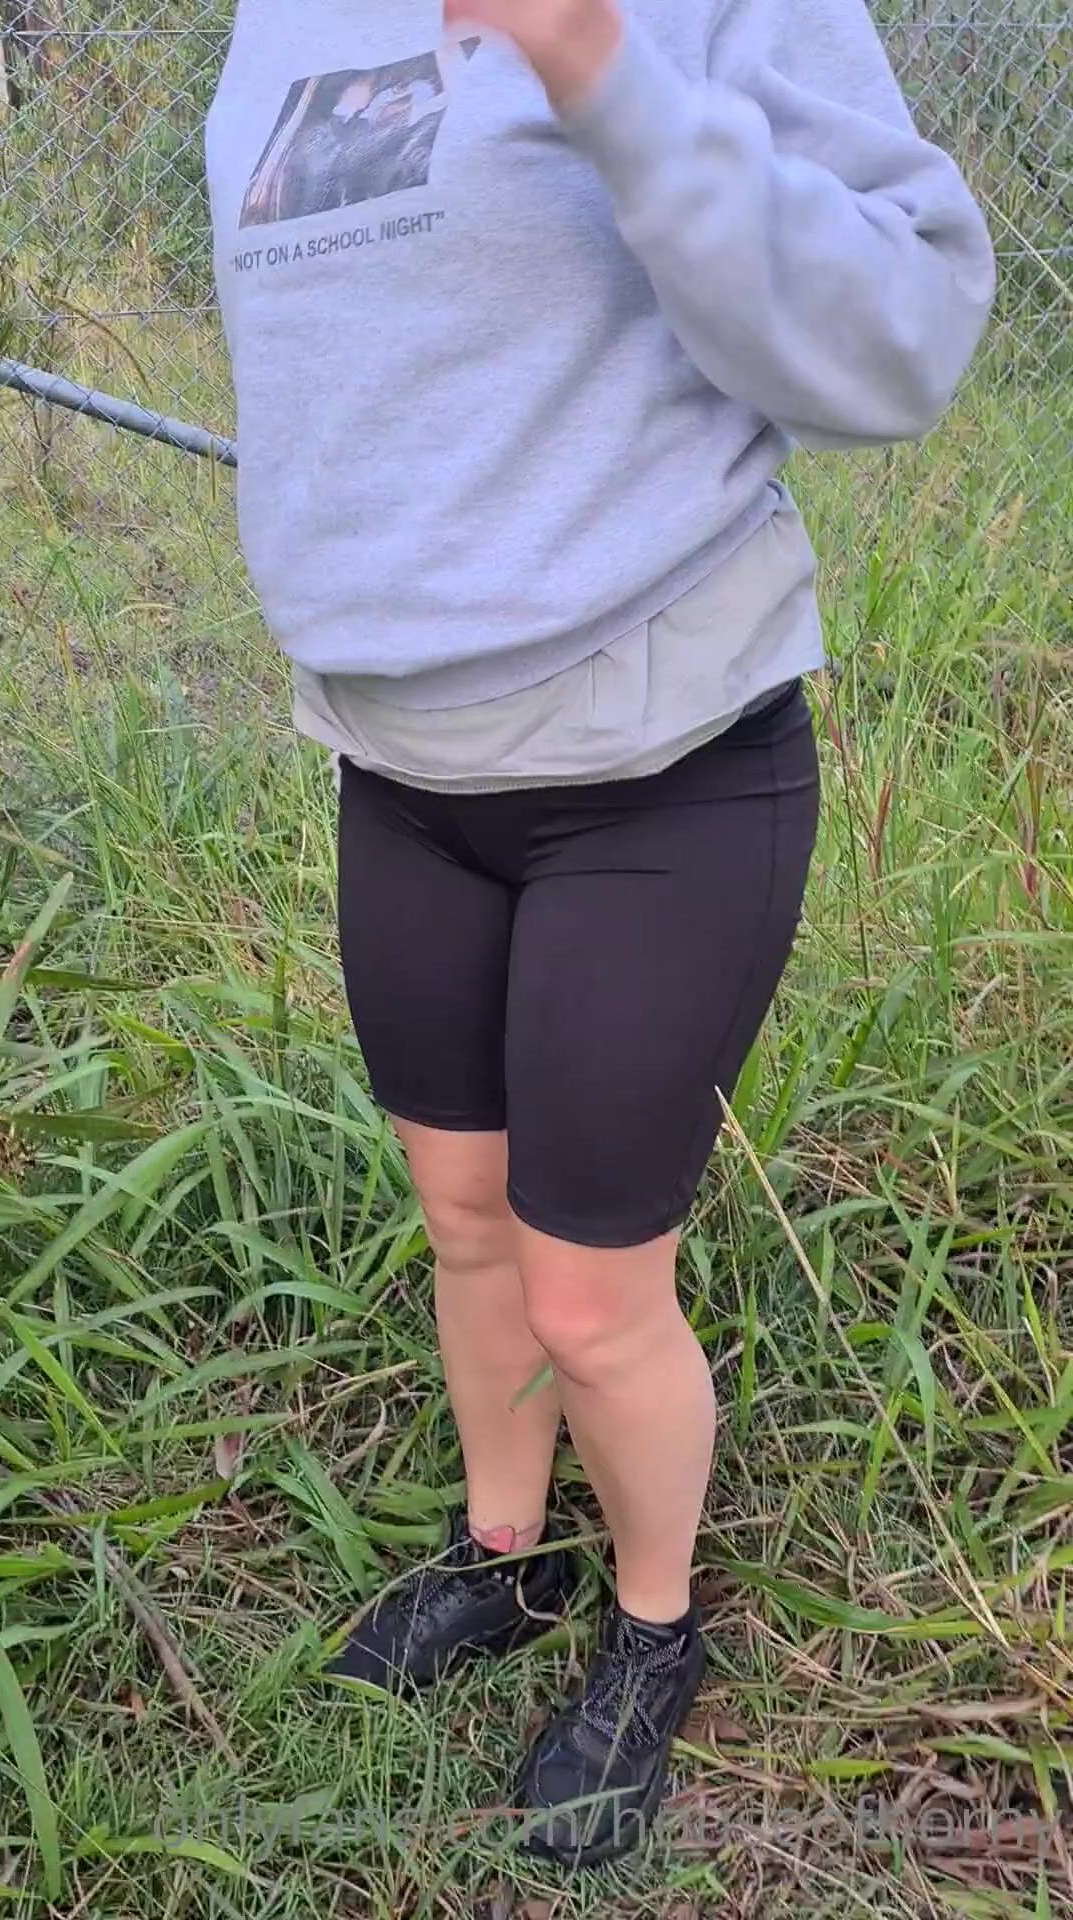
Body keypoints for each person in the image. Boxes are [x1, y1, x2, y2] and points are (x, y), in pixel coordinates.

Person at [207, 0, 993, 1867]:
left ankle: (652, 1628)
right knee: (467, 1223)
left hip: (659, 771)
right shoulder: (270, 20)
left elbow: (906, 327)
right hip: (399, 767)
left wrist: (599, 68)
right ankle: (506, 1557)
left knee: (588, 1293)